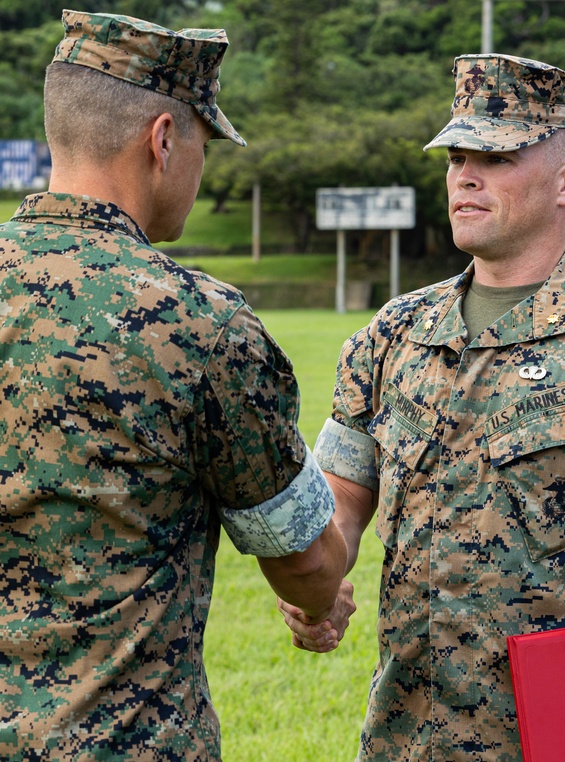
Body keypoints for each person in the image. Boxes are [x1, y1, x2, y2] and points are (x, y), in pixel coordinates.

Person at [281, 54, 565, 761]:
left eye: (495, 157)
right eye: (458, 155)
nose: (465, 175)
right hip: (411, 733)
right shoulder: (393, 334)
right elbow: (340, 506)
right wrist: (319, 586)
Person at [0, 11, 349, 760]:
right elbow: (307, 560)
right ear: (163, 139)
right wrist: (323, 600)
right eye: (202, 144)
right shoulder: (198, 324)